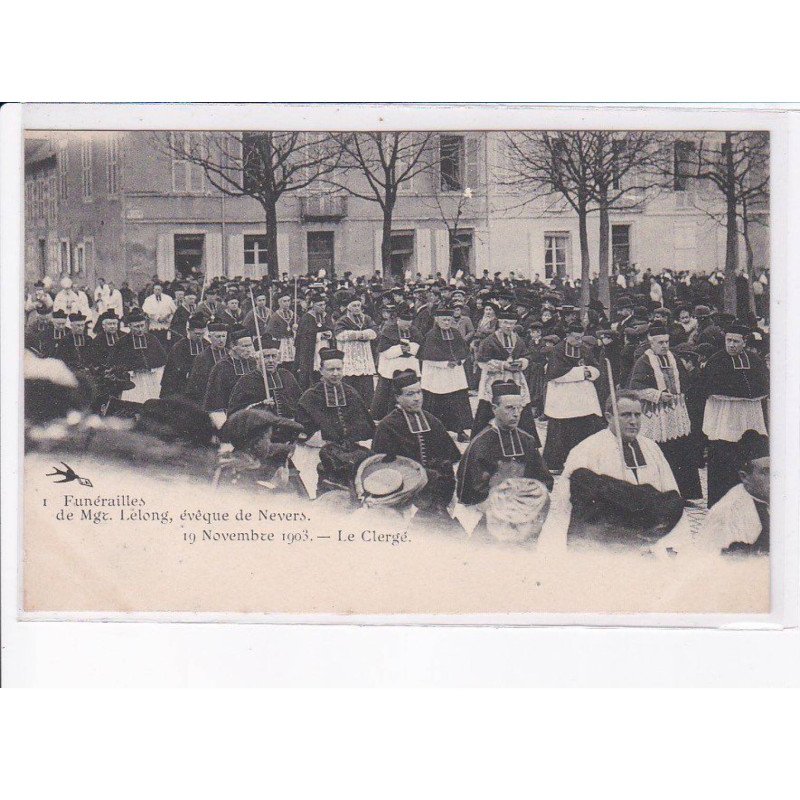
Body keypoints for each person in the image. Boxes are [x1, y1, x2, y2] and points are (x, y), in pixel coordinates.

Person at [539, 391, 687, 549]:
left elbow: (671, 494)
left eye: (637, 415)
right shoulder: (587, 450)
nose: (633, 421)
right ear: (609, 417)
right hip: (606, 542)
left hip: (651, 542)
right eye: (625, 415)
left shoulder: (651, 448)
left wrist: (676, 543)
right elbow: (565, 505)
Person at [371, 369, 462, 523]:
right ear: (397, 397)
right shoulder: (387, 426)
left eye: (419, 392)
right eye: (410, 394)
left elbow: (450, 457)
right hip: (405, 492)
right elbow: (382, 468)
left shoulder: (432, 420)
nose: (417, 398)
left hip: (437, 493)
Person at [627, 324, 702, 499]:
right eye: (660, 342)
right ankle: (658, 493)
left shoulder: (674, 358)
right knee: (658, 451)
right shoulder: (643, 361)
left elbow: (684, 382)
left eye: (667, 342)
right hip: (656, 414)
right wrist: (658, 395)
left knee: (680, 451)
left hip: (676, 412)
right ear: (651, 343)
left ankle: (682, 494)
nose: (664, 346)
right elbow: (635, 387)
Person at [701, 321, 770, 507]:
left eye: (736, 341)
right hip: (724, 419)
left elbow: (763, 385)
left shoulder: (755, 361)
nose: (731, 345)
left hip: (748, 418)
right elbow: (707, 387)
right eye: (728, 340)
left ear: (744, 342)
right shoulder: (716, 360)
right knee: (723, 459)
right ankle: (719, 503)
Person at [456, 381, 552, 508]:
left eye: (519, 408)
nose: (516, 413)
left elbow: (544, 479)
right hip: (491, 509)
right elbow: (471, 491)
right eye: (509, 408)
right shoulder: (480, 444)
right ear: (494, 409)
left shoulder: (527, 440)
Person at [295, 349, 375, 495]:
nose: (335, 373)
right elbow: (303, 430)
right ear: (321, 370)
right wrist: (323, 441)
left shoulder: (351, 392)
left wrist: (353, 438)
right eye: (330, 369)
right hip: (320, 450)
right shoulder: (310, 396)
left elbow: (364, 424)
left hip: (351, 450)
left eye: (339, 369)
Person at [542, 322, 604, 472]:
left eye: (581, 338)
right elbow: (555, 374)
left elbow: (595, 367)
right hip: (564, 395)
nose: (579, 342)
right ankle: (556, 464)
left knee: (584, 426)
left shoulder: (584, 349)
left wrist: (592, 372)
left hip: (583, 396)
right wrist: (582, 373)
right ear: (567, 336)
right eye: (576, 338)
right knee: (561, 430)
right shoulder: (557, 350)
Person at [472, 309, 539, 443]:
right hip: (494, 379)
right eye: (506, 323)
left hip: (515, 378)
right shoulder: (489, 340)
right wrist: (503, 365)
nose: (509, 326)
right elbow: (482, 362)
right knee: (490, 404)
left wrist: (521, 362)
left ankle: (524, 441)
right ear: (499, 323)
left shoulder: (518, 340)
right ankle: (483, 441)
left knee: (518, 406)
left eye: (512, 323)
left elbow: (526, 355)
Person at [418, 307, 473, 441]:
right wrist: (444, 364)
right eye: (444, 320)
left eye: (449, 319)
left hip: (454, 375)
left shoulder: (456, 333)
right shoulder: (431, 335)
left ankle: (460, 431)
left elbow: (463, 351)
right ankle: (435, 432)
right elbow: (427, 357)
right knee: (437, 404)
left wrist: (460, 360)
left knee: (457, 403)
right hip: (437, 377)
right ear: (437, 320)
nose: (447, 322)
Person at [227, 335, 302, 417]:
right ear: (257, 359)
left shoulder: (287, 376)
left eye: (273, 356)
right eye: (266, 357)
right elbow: (235, 413)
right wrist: (260, 405)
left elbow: (299, 403)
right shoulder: (246, 380)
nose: (271, 361)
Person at [370, 305, 423, 420]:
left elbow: (419, 346)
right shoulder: (389, 329)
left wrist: (410, 349)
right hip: (392, 366)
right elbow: (384, 351)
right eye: (405, 323)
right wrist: (399, 349)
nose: (407, 326)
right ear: (398, 320)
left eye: (409, 323)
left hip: (409, 365)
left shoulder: (414, 330)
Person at [115, 309, 169, 404]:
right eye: (136, 326)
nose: (140, 329)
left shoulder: (152, 339)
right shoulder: (122, 342)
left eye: (142, 326)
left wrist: (151, 367)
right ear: (130, 326)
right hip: (132, 379)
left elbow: (163, 358)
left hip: (150, 377)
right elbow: (117, 361)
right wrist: (131, 369)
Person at [203, 328, 258, 420]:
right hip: (231, 418)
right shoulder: (222, 367)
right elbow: (215, 404)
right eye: (244, 346)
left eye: (250, 345)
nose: (248, 350)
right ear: (233, 346)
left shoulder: (253, 363)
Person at [333, 297, 378, 407]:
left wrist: (360, 334)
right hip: (350, 354)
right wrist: (360, 334)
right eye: (354, 306)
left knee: (366, 380)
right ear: (348, 307)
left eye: (359, 305)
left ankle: (367, 406)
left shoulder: (366, 318)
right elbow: (339, 334)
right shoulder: (343, 320)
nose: (357, 308)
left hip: (364, 354)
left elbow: (375, 331)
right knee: (350, 380)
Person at [160, 313, 209, 399]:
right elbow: (173, 372)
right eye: (197, 334)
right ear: (189, 330)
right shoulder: (179, 347)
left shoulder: (207, 345)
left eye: (202, 334)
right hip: (181, 387)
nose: (199, 337)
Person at [294, 292, 334, 390]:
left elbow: (331, 329)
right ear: (313, 305)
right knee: (312, 370)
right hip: (311, 349)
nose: (323, 307)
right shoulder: (307, 317)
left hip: (325, 345)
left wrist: (330, 334)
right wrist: (319, 335)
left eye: (324, 305)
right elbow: (304, 336)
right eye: (320, 305)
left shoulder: (326, 316)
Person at [265, 292, 297, 370]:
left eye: (288, 301)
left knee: (293, 361)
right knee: (281, 361)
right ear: (279, 302)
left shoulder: (293, 314)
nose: (287, 303)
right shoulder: (275, 316)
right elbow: (270, 330)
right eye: (284, 301)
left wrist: (295, 329)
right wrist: (282, 333)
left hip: (291, 341)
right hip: (281, 342)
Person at [141, 282, 177, 349]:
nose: (157, 291)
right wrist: (158, 318)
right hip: (154, 326)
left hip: (166, 326)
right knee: (155, 344)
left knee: (166, 345)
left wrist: (167, 318)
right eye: (155, 289)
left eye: (159, 289)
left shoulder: (168, 299)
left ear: (162, 289)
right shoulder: (148, 300)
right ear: (153, 290)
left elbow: (174, 311)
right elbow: (146, 311)